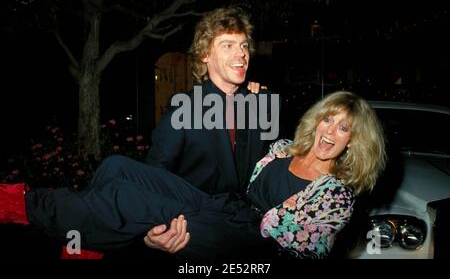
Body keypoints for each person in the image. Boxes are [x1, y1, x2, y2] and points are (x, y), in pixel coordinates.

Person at [0, 90, 386, 259]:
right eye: (328, 120)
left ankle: (15, 203)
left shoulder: (335, 195)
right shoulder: (283, 148)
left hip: (252, 244)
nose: (329, 133)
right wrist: (248, 100)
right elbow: (237, 156)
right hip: (227, 208)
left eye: (343, 128)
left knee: (126, 199)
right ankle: (90, 240)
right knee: (116, 167)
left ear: (354, 142)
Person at [141, 7, 279, 253]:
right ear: (205, 54)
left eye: (244, 46)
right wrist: (152, 231)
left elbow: (273, 168)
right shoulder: (183, 111)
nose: (241, 54)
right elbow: (153, 177)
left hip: (250, 234)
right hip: (196, 235)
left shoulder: (261, 105)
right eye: (228, 45)